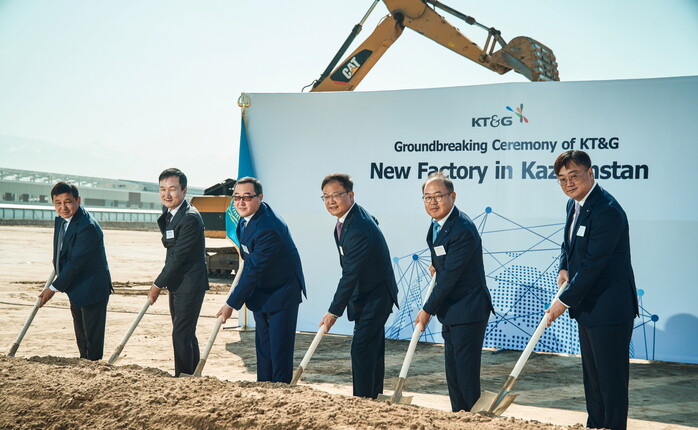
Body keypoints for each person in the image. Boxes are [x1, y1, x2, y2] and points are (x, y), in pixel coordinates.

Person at [546, 150, 639, 430]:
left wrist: (564, 301)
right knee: (594, 380)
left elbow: (593, 265)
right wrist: (563, 267)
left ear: (590, 172)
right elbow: (569, 246)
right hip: (589, 307)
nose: (568, 183)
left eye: (574, 176)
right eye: (562, 179)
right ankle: (595, 426)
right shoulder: (574, 205)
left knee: (610, 381)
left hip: (609, 308)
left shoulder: (606, 210)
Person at [414, 171, 494, 412]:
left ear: (452, 196)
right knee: (454, 374)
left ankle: (472, 420)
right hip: (451, 310)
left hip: (468, 309)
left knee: (465, 375)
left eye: (438, 196)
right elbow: (443, 258)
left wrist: (427, 310)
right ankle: (458, 417)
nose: (433, 202)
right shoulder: (438, 225)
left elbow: (450, 278)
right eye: (427, 197)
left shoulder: (462, 229)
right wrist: (436, 265)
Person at [216, 177, 306, 383]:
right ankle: (263, 388)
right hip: (262, 291)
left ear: (260, 197)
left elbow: (253, 270)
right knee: (264, 350)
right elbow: (249, 261)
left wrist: (231, 304)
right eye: (236, 197)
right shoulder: (245, 220)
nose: (240, 202)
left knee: (279, 352)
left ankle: (280, 392)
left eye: (247, 197)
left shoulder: (268, 227)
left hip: (282, 293)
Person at [319, 173, 398, 399]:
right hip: (367, 293)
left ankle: (362, 400)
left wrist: (333, 312)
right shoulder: (351, 218)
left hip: (376, 296)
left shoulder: (357, 228)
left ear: (350, 195)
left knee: (361, 349)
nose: (331, 201)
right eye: (326, 197)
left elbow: (350, 274)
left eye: (336, 195)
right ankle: (373, 397)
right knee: (371, 350)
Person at [38, 182, 112, 361]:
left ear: (78, 200)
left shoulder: (87, 226)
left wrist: (53, 288)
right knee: (81, 336)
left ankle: (93, 366)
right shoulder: (61, 220)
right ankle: (84, 363)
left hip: (92, 288)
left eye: (68, 202)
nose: (63, 207)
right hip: (75, 287)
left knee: (92, 340)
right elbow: (62, 250)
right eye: (58, 203)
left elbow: (76, 263)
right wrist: (57, 263)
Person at [148, 168, 209, 377]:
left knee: (181, 334)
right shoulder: (170, 213)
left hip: (190, 284)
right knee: (186, 333)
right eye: (162, 189)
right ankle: (192, 375)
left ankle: (182, 377)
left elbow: (178, 257)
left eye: (172, 189)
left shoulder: (190, 218)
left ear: (184, 190)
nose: (167, 194)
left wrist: (157, 284)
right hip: (178, 283)